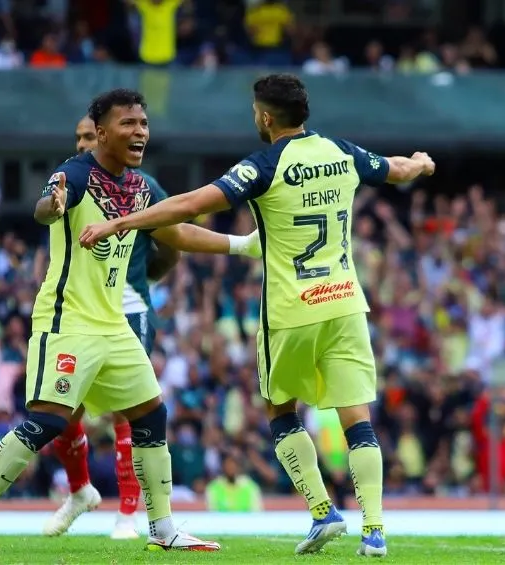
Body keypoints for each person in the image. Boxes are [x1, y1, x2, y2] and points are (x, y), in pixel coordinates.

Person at [79, 73, 436, 558]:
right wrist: (418, 163)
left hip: (292, 309)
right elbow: (393, 168)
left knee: (278, 408)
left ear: (266, 117)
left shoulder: (263, 165)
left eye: (254, 112)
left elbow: (187, 205)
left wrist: (121, 221)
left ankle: (322, 511)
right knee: (357, 417)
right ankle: (374, 530)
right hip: (347, 302)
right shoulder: (341, 153)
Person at [0, 89, 260, 553]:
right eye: (128, 124)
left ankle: (163, 528)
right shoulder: (73, 174)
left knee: (151, 414)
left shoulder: (140, 186)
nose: (140, 132)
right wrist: (51, 206)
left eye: (143, 123)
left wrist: (242, 245)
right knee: (47, 422)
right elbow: (46, 205)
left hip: (113, 325)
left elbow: (176, 232)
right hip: (67, 320)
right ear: (100, 132)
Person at [46, 115, 242, 540]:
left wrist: (147, 279)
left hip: (126, 307)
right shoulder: (71, 182)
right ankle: (80, 491)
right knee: (62, 413)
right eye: (78, 138)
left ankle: (128, 516)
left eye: (88, 137)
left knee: (131, 411)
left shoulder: (140, 186)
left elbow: (173, 240)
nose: (82, 145)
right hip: (77, 312)